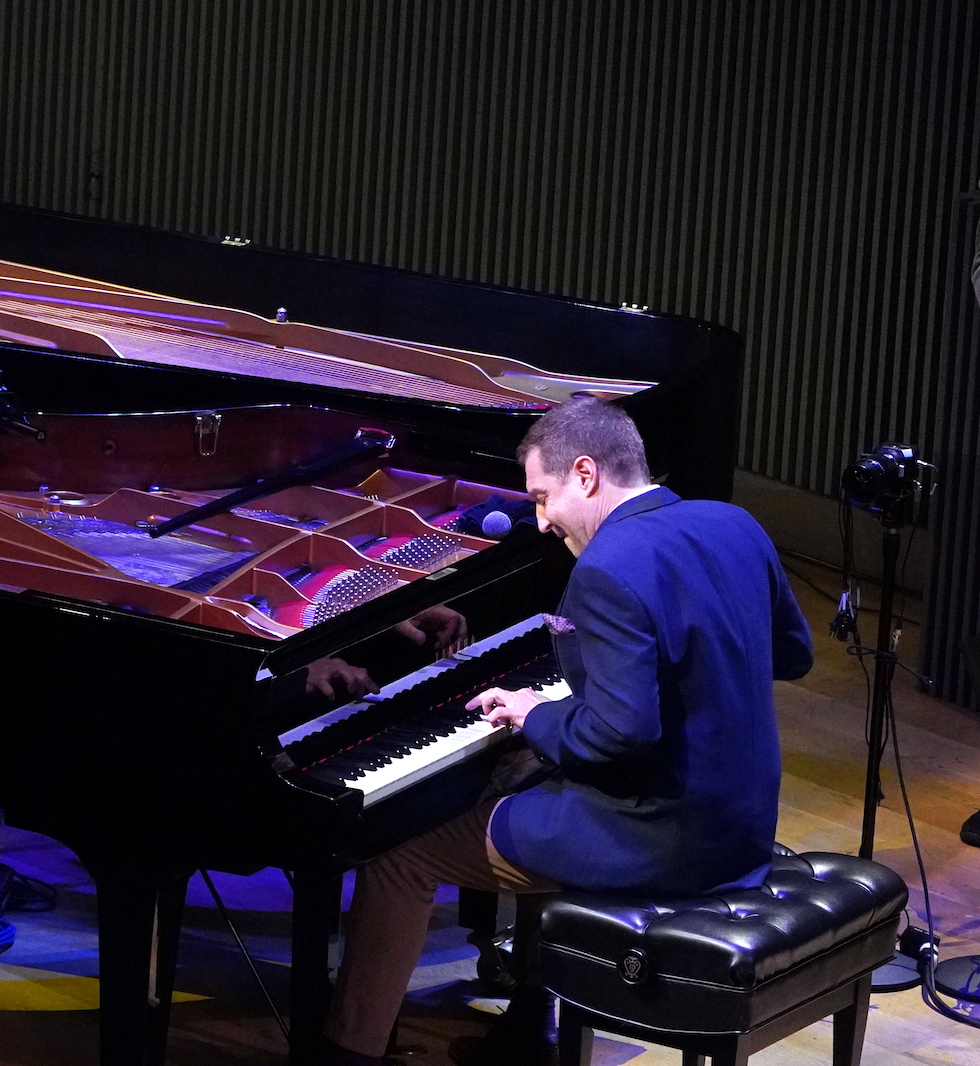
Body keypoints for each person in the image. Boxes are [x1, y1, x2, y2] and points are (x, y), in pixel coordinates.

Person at [313, 394, 815, 1066]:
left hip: (660, 839)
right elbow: (794, 653)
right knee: (524, 770)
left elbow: (620, 733)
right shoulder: (734, 523)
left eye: (544, 496)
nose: (543, 521)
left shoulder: (605, 567)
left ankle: (350, 1052)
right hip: (743, 823)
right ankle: (529, 1012)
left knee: (401, 854)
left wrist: (530, 712)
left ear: (586, 473)